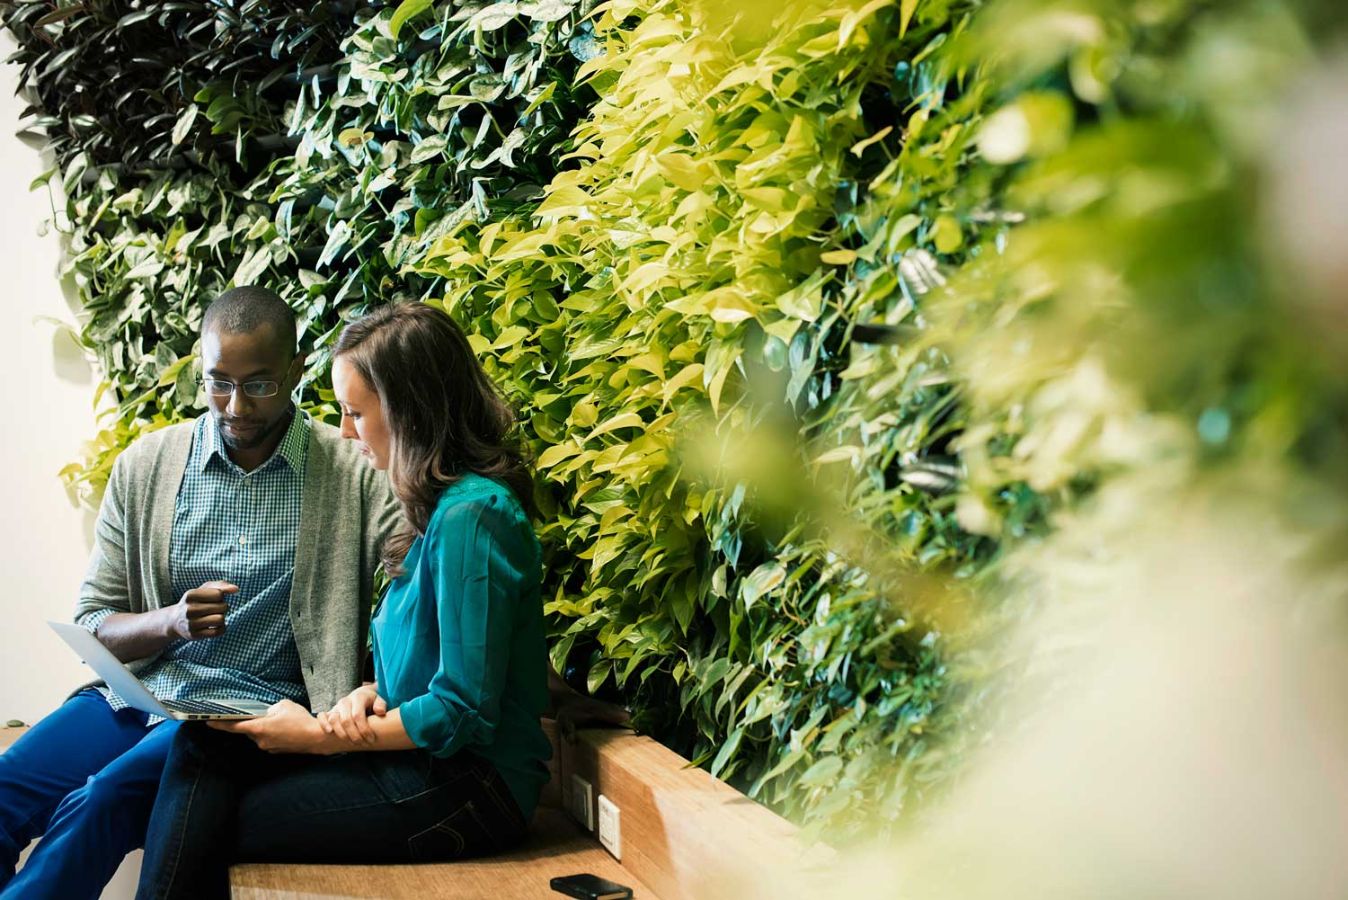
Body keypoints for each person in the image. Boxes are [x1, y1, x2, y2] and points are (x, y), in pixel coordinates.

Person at [136, 302, 555, 899]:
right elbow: (432, 662)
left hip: (470, 789)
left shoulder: (475, 517)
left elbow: (463, 708)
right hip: (423, 764)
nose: (347, 431)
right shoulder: (435, 512)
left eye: (356, 413)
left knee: (206, 822)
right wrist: (369, 694)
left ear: (412, 410)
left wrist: (318, 736)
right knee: (204, 747)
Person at [0, 287, 399, 900]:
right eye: (219, 383)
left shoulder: (352, 473)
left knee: (99, 801)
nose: (235, 405)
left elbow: (414, 585)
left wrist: (369, 689)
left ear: (295, 370)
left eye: (260, 385)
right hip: (133, 699)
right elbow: (93, 618)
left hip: (237, 719)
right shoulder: (147, 465)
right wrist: (170, 622)